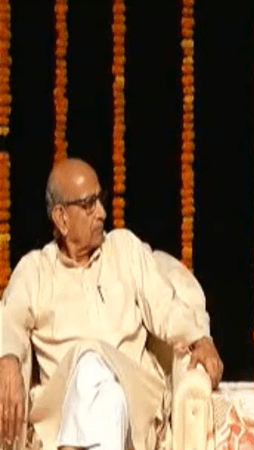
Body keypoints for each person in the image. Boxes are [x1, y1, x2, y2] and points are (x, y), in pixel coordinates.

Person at [0, 158, 223, 450]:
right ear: (61, 218)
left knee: (93, 360)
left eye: (100, 200)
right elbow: (9, 319)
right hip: (61, 412)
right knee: (99, 383)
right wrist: (8, 362)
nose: (102, 213)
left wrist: (200, 338)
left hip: (134, 400)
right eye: (89, 204)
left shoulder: (124, 250)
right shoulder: (36, 270)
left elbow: (166, 305)